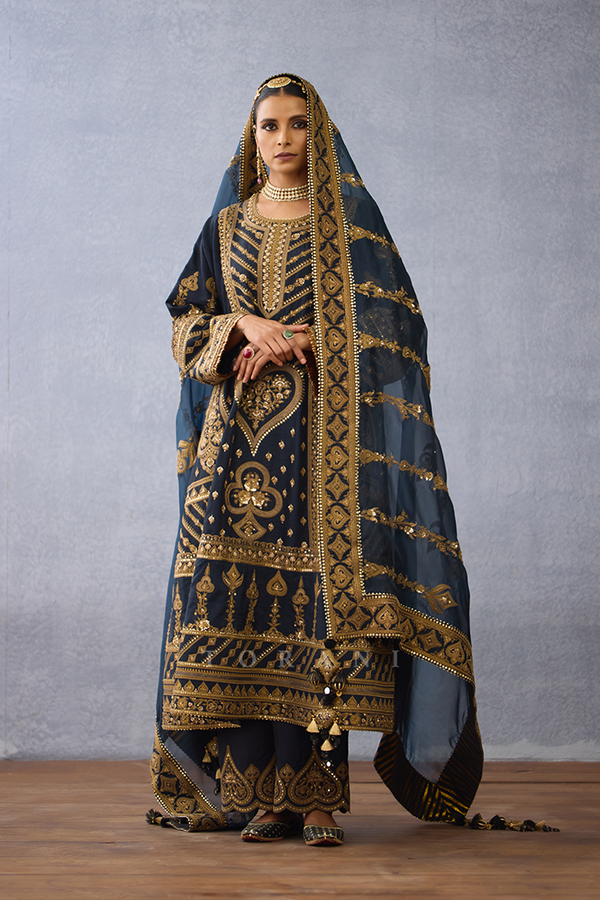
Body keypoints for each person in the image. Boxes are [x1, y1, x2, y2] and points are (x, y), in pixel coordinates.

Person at [149, 74, 483, 847]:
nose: (283, 138)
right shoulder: (225, 227)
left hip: (324, 456)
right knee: (239, 609)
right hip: (232, 455)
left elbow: (399, 335)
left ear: (318, 134)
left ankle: (320, 800)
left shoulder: (350, 227)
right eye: (269, 125)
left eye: (298, 124)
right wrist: (243, 325)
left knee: (315, 616)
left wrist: (305, 338)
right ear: (253, 137)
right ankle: (263, 799)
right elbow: (184, 321)